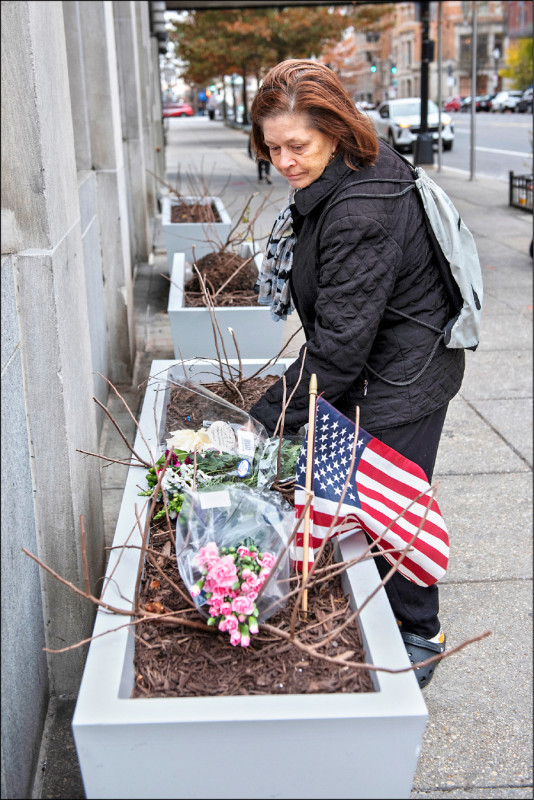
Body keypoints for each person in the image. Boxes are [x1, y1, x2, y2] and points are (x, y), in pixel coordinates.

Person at [248, 59, 466, 688]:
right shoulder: (343, 172)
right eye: (272, 147)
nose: (285, 161)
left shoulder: (360, 211)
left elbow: (339, 352)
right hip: (382, 354)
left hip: (403, 375)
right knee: (368, 493)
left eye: (298, 146)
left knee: (393, 502)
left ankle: (418, 631)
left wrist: (267, 414)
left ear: (336, 131)